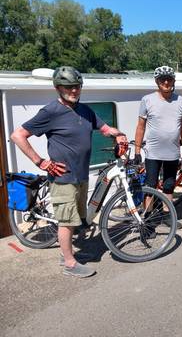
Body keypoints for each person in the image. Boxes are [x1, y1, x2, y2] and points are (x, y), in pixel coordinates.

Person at [10, 66, 128, 278]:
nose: (74, 90)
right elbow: (17, 135)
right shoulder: (50, 111)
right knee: (67, 221)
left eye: (77, 86)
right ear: (58, 88)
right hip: (63, 177)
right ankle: (69, 263)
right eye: (69, 87)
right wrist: (41, 162)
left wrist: (117, 134)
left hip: (81, 174)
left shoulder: (85, 110)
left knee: (76, 219)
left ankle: (67, 254)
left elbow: (104, 129)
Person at [134, 66, 182, 230]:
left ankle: (166, 215)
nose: (166, 82)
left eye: (169, 79)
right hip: (153, 153)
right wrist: (137, 151)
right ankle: (148, 220)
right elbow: (140, 127)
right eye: (162, 79)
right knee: (150, 186)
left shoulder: (181, 101)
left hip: (172, 153)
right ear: (157, 82)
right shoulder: (147, 100)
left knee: (169, 185)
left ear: (173, 81)